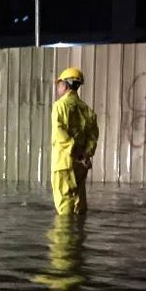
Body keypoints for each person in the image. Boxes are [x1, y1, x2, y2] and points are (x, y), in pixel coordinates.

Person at [50, 67, 99, 216]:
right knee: (79, 205)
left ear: (65, 85)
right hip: (80, 165)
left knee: (64, 207)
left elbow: (60, 134)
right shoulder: (87, 110)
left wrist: (75, 152)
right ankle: (79, 231)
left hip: (63, 163)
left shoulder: (59, 106)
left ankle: (65, 231)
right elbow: (93, 136)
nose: (58, 88)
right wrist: (85, 155)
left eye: (59, 84)